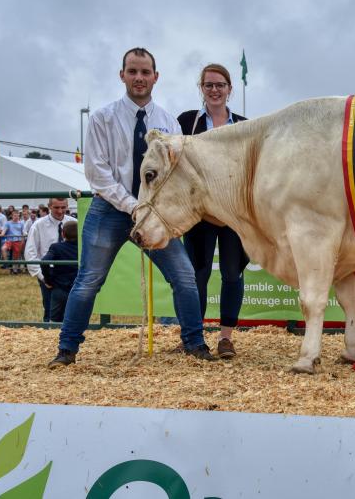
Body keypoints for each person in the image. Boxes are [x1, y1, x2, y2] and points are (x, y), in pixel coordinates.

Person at [48, 47, 216, 368]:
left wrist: (153, 210)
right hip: (109, 210)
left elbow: (176, 174)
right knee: (89, 280)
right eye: (133, 71)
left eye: (145, 72)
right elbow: (97, 173)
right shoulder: (102, 118)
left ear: (156, 77)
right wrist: (132, 206)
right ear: (122, 75)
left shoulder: (169, 123)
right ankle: (66, 350)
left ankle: (194, 343)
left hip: (155, 215)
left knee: (184, 277)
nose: (139, 78)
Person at [177, 63, 248, 359]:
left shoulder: (244, 125)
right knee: (197, 275)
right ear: (201, 89)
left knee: (233, 274)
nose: (215, 90)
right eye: (209, 85)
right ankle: (194, 338)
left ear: (230, 89)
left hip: (232, 213)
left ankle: (226, 338)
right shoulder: (186, 121)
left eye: (220, 85)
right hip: (199, 214)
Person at [24, 198, 76, 321]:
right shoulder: (38, 225)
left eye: (63, 207)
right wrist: (43, 277)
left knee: (73, 311)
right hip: (49, 275)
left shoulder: (74, 223)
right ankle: (49, 335)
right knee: (51, 311)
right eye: (56, 207)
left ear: (67, 206)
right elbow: (30, 252)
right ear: (49, 207)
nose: (60, 211)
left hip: (71, 275)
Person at [40, 221, 79, 322]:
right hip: (78, 289)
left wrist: (48, 280)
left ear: (63, 233)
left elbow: (44, 262)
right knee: (76, 319)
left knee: (55, 320)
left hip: (60, 288)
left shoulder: (56, 247)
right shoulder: (83, 247)